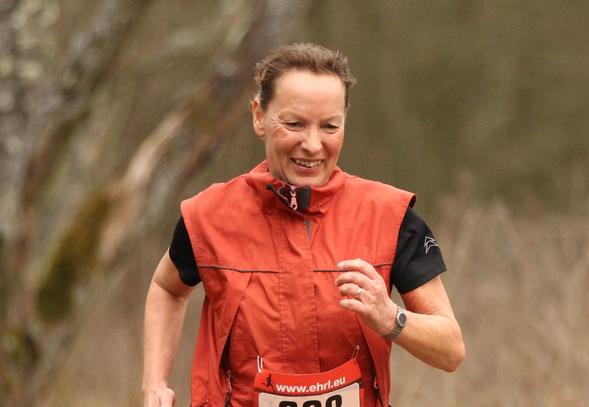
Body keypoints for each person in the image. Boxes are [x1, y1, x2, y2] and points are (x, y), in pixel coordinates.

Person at [143, 42, 464, 407]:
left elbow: (450, 349)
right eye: (294, 124)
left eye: (329, 126)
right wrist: (155, 382)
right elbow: (167, 288)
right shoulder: (208, 216)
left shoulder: (391, 217)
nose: (312, 145)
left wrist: (391, 318)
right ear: (259, 117)